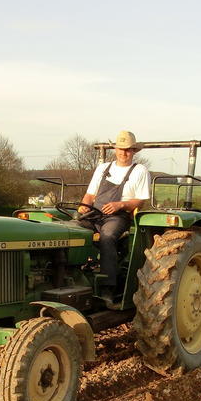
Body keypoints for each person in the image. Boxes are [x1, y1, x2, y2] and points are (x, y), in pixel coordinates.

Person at [78, 130, 151, 307]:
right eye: (120, 149)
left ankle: (107, 288)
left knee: (107, 236)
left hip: (119, 217)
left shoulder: (139, 171)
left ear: (134, 151)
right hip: (95, 213)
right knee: (73, 232)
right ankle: (77, 278)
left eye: (127, 149)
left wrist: (121, 205)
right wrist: (83, 206)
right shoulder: (103, 168)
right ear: (115, 149)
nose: (123, 153)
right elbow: (90, 194)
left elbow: (139, 201)